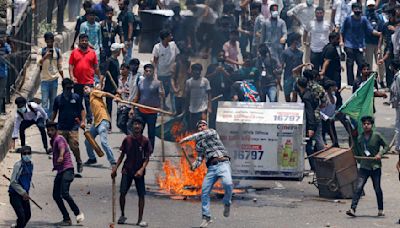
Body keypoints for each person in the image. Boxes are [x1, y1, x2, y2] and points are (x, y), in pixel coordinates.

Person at [179, 120, 233, 228]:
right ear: (198, 129)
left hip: (223, 163)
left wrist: (185, 139)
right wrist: (194, 166)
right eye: (200, 126)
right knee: (204, 191)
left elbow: (202, 134)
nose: (202, 127)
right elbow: (199, 159)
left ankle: (227, 202)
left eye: (204, 125)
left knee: (228, 184)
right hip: (212, 168)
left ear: (207, 127)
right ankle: (206, 217)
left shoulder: (212, 132)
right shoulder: (199, 144)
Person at [111, 117, 152, 226]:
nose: (137, 126)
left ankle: (140, 219)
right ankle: (122, 214)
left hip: (139, 171)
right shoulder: (127, 139)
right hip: (127, 169)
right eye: (135, 124)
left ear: (142, 127)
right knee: (122, 193)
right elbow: (122, 156)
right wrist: (115, 168)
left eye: (139, 124)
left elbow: (147, 158)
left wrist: (141, 169)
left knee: (141, 195)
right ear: (132, 126)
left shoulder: (145, 141)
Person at [346, 116, 388, 217]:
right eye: (364, 124)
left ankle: (380, 209)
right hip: (364, 167)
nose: (366, 125)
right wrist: (352, 139)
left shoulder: (377, 136)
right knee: (358, 187)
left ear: (372, 125)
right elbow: (355, 149)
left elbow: (386, 146)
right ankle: (352, 209)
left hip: (375, 167)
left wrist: (380, 154)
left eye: (368, 124)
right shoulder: (360, 138)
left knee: (377, 188)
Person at [46, 122, 85, 226]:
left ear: (56, 130)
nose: (49, 132)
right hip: (60, 171)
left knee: (64, 193)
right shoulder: (53, 141)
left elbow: (62, 147)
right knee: (56, 195)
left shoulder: (59, 138)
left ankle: (78, 213)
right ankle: (66, 219)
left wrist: (61, 156)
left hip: (67, 170)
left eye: (52, 130)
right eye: (48, 130)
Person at [51, 78, 86, 177]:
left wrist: (83, 121)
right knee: (59, 147)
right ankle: (61, 167)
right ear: (63, 88)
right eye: (67, 88)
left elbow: (82, 110)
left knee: (74, 146)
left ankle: (78, 161)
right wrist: (51, 123)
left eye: (71, 88)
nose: (69, 90)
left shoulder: (76, 97)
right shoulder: (58, 99)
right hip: (61, 127)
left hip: (73, 126)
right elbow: (54, 112)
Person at [340, 2, 381, 86]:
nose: (357, 10)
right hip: (349, 45)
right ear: (352, 9)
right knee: (350, 64)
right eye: (355, 9)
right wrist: (341, 41)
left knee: (361, 64)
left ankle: (358, 81)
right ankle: (350, 83)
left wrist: (379, 33)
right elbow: (342, 32)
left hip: (360, 46)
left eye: (359, 9)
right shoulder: (348, 19)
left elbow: (370, 30)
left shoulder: (364, 19)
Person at [69, 33, 100, 125]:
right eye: (82, 40)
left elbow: (96, 67)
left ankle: (90, 120)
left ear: (88, 41)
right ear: (79, 41)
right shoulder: (74, 52)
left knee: (88, 102)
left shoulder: (92, 53)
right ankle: (79, 119)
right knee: (78, 101)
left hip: (89, 82)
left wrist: (99, 79)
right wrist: (72, 76)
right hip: (77, 82)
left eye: (86, 41)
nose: (84, 42)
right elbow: (71, 66)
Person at [131, 64, 164, 148]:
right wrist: (132, 108)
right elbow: (138, 95)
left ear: (153, 72)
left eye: (150, 71)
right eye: (146, 71)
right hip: (141, 110)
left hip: (152, 112)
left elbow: (162, 96)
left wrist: (162, 94)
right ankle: (138, 148)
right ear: (144, 72)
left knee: (151, 132)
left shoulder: (158, 83)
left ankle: (150, 150)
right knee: (138, 130)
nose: (148, 72)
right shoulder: (141, 82)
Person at [82, 86, 116, 166]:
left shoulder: (94, 92)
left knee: (103, 142)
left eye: (86, 88)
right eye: (84, 90)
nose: (85, 90)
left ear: (91, 88)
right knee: (88, 141)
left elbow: (106, 94)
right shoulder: (91, 98)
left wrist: (115, 97)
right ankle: (92, 158)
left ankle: (113, 161)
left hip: (103, 121)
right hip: (96, 123)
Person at [152, 29, 180, 111]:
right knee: (163, 92)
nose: (171, 37)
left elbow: (178, 57)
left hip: (172, 74)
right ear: (165, 38)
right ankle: (162, 106)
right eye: (169, 36)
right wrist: (155, 74)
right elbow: (155, 61)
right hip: (161, 74)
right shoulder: (157, 47)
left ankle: (174, 110)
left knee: (173, 92)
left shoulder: (173, 45)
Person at [296, 77, 320, 171]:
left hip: (310, 124)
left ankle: (314, 165)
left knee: (309, 146)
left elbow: (309, 112)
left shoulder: (306, 97)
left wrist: (310, 128)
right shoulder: (308, 93)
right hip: (314, 122)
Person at [39, 32, 64, 118]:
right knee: (44, 102)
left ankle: (50, 119)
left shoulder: (58, 51)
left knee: (53, 102)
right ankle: (45, 119)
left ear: (53, 40)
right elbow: (38, 63)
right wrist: (45, 56)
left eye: (51, 41)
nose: (49, 43)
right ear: (45, 41)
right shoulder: (41, 51)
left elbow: (60, 66)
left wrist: (63, 78)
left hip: (54, 80)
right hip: (44, 80)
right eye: (48, 41)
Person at [100, 42, 124, 128]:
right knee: (109, 107)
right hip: (109, 87)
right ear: (117, 51)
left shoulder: (116, 60)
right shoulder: (109, 61)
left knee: (120, 105)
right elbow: (104, 73)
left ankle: (120, 124)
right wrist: (100, 84)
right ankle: (109, 125)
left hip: (117, 86)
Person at [8, 146, 33, 228]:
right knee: (22, 216)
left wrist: (26, 193)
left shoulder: (31, 165)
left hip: (24, 194)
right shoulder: (18, 165)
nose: (27, 155)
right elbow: (13, 182)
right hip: (15, 195)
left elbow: (28, 180)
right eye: (24, 154)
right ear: (21, 155)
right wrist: (23, 192)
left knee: (27, 215)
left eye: (28, 153)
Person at [303, 7, 332, 71]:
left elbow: (332, 33)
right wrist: (304, 41)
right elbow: (305, 31)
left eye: (320, 13)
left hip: (325, 50)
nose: (319, 15)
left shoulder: (327, 23)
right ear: (315, 14)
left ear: (323, 13)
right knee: (314, 70)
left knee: (325, 69)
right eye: (317, 13)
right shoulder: (311, 23)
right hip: (314, 50)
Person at [185, 64, 212, 131]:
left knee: (203, 127)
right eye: (195, 70)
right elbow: (187, 95)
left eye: (198, 70)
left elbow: (209, 94)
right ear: (192, 71)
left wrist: (209, 107)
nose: (197, 72)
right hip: (192, 109)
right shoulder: (189, 82)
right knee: (194, 128)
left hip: (203, 108)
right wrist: (186, 107)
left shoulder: (205, 81)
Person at [365, 0, 385, 87]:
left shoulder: (379, 17)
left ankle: (381, 80)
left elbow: (382, 29)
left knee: (380, 63)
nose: (371, 8)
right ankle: (370, 81)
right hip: (368, 43)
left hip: (378, 43)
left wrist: (380, 42)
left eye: (372, 6)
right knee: (369, 63)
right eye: (369, 6)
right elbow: (367, 30)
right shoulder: (365, 18)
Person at [320, 32, 343, 107]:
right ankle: (337, 107)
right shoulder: (331, 48)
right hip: (333, 75)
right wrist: (323, 71)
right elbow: (327, 61)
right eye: (337, 39)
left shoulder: (328, 47)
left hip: (332, 73)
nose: (339, 41)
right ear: (331, 39)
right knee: (335, 90)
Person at [281, 32, 303, 102]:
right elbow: (282, 64)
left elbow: (301, 65)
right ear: (294, 41)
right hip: (287, 75)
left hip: (296, 76)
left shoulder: (300, 53)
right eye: (299, 40)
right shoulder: (285, 52)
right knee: (287, 94)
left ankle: (294, 108)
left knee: (295, 93)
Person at [321, 80, 339, 147]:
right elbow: (321, 112)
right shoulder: (324, 98)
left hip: (331, 121)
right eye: (334, 86)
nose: (336, 88)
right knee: (322, 139)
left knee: (334, 138)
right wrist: (327, 118)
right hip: (324, 121)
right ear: (330, 88)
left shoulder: (334, 97)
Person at [116, 63, 133, 134]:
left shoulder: (131, 80)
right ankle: (131, 137)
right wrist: (117, 94)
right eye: (121, 69)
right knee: (118, 124)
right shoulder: (119, 79)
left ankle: (131, 137)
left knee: (122, 123)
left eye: (123, 69)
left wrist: (123, 91)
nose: (122, 71)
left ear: (128, 70)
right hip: (120, 104)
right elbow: (118, 89)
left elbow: (133, 91)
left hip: (128, 104)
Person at [0, 37, 11, 114]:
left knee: (1, 93)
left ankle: (1, 110)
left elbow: (9, 54)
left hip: (3, 73)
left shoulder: (6, 47)